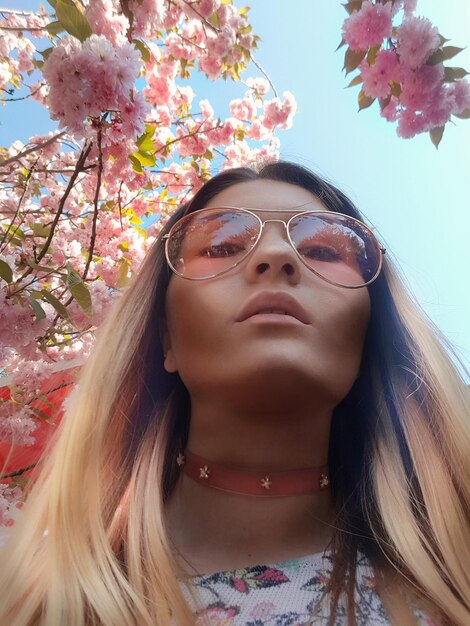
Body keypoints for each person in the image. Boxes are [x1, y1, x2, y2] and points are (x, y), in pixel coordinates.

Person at [0, 161, 469, 626]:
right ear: (166, 338)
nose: (277, 256)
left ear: (370, 332)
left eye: (325, 251)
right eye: (222, 246)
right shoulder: (29, 599)